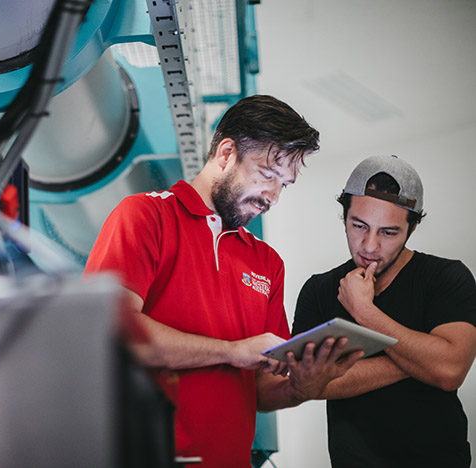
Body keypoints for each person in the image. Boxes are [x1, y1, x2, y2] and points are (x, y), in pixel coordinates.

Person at [83, 95, 362, 468]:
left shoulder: (267, 262)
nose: (274, 197)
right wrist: (231, 351)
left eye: (285, 184)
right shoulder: (145, 215)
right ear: (227, 152)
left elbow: (262, 390)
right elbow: (116, 335)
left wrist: (302, 387)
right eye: (267, 175)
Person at [292, 154, 476, 468]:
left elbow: (448, 373)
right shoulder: (318, 290)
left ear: (412, 228)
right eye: (358, 225)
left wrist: (365, 313)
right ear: (345, 215)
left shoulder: (447, 277)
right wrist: (420, 361)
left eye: (388, 233)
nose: (369, 245)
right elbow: (309, 384)